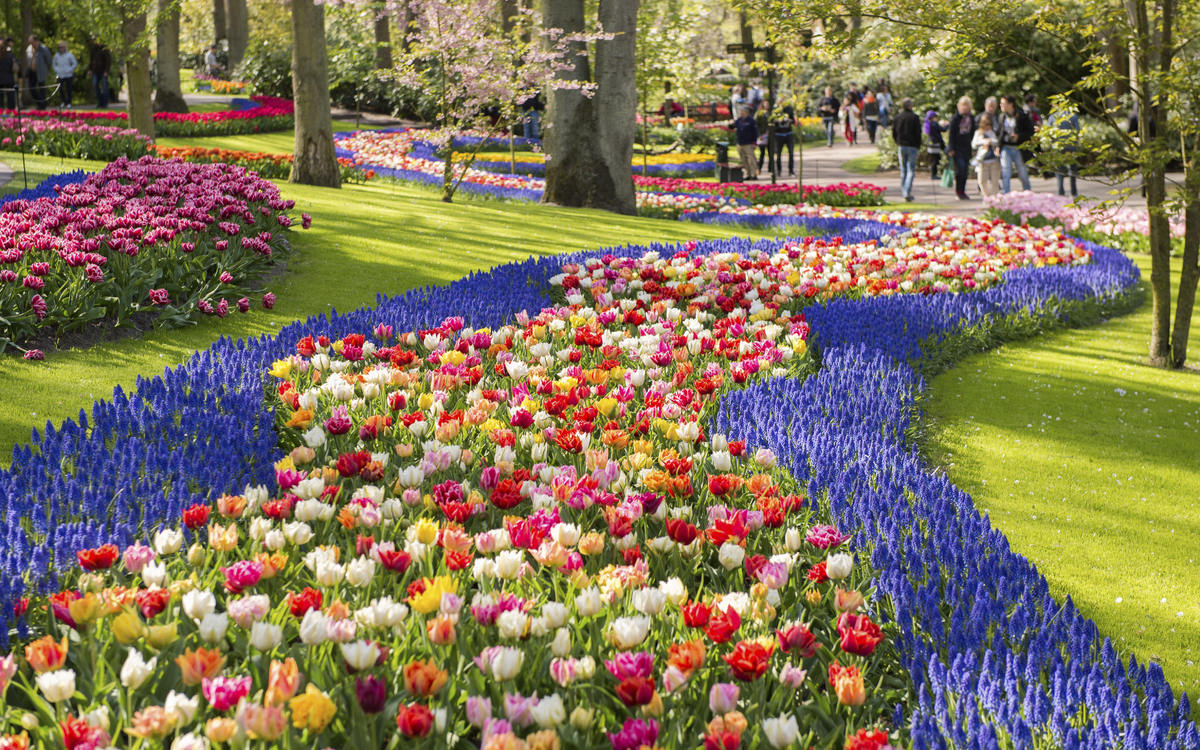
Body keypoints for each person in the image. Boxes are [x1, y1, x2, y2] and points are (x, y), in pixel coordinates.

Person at [997, 94, 1034, 192]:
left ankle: (1028, 192)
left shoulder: (1022, 116)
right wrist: (998, 147)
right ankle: (1006, 195)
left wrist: (1019, 136)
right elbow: (1000, 133)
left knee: (1022, 173)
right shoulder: (1002, 117)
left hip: (1018, 148)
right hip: (1006, 148)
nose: (1001, 105)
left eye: (1003, 103)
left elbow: (1030, 131)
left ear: (1011, 104)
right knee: (1006, 173)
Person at [946, 96, 976, 200]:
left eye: (967, 105)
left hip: (967, 147)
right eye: (963, 105)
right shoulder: (955, 118)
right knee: (961, 168)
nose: (965, 107)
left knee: (965, 171)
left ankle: (963, 190)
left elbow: (973, 134)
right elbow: (951, 134)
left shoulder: (971, 119)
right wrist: (951, 148)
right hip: (957, 148)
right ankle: (958, 190)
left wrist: (974, 148)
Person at [892, 97, 921, 202]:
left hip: (902, 145)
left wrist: (898, 141)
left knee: (903, 170)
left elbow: (894, 132)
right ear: (910, 105)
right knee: (910, 170)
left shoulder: (898, 117)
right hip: (912, 145)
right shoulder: (914, 117)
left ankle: (904, 190)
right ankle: (906, 191)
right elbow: (918, 133)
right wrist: (918, 144)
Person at [1049, 108, 1081, 197]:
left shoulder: (1052, 117)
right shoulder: (1073, 116)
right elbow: (1077, 131)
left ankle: (1060, 193)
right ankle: (1074, 193)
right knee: (1072, 170)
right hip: (1071, 147)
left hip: (1058, 147)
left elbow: (1049, 134)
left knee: (1060, 171)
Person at [972, 112, 1001, 197]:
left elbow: (998, 141)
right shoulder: (978, 132)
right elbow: (974, 144)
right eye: (986, 124)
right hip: (982, 161)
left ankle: (995, 197)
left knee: (994, 182)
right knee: (982, 181)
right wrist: (984, 141)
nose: (988, 126)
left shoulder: (994, 132)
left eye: (990, 124)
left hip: (994, 160)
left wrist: (990, 141)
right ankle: (987, 197)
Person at [729, 105, 759, 180]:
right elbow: (732, 127)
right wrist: (730, 123)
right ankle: (748, 174)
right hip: (740, 143)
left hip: (748, 143)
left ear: (745, 112)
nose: (740, 112)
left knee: (751, 159)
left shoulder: (751, 121)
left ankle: (754, 174)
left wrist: (754, 143)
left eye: (741, 111)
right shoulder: (739, 120)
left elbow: (755, 132)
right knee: (743, 160)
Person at [26, 35, 51, 109]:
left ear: (36, 41)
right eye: (30, 43)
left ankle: (42, 106)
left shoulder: (43, 49)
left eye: (32, 42)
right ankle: (39, 103)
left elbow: (49, 60)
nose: (31, 44)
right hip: (32, 72)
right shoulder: (29, 49)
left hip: (41, 72)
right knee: (31, 88)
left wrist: (45, 69)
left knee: (41, 89)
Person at [774, 102, 796, 175]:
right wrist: (777, 121)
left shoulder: (789, 109)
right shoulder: (776, 109)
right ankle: (778, 170)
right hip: (779, 133)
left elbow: (793, 120)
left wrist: (790, 120)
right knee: (778, 153)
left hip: (788, 133)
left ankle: (791, 170)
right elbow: (772, 121)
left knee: (791, 152)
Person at [53, 41, 76, 108]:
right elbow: (54, 64)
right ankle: (64, 101)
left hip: (68, 75)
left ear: (65, 47)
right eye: (59, 47)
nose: (60, 49)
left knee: (68, 89)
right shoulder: (56, 56)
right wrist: (56, 70)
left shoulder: (69, 55)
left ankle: (69, 102)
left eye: (62, 47)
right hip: (60, 75)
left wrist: (70, 69)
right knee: (60, 88)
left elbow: (74, 63)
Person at [924, 108, 946, 179]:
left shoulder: (929, 124)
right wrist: (948, 125)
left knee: (935, 159)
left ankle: (934, 173)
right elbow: (943, 129)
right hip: (935, 144)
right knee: (935, 160)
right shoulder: (934, 124)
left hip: (931, 144)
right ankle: (934, 174)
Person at [88, 39, 110, 108]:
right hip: (95, 71)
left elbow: (108, 60)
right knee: (95, 85)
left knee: (105, 87)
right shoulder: (94, 48)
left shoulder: (104, 48)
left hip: (103, 71)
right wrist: (90, 69)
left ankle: (105, 103)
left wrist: (106, 71)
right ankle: (100, 101)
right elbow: (91, 59)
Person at [0, 38, 16, 110]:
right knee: (10, 96)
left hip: (1, 79)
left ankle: (1, 110)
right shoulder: (10, 55)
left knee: (0, 97)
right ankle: (11, 110)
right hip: (9, 78)